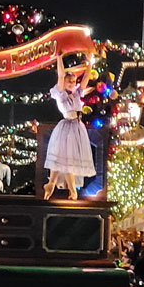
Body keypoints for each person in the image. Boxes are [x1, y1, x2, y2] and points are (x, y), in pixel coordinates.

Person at [43, 52, 96, 200]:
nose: (72, 83)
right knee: (67, 160)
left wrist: (90, 64)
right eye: (69, 81)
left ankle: (52, 184)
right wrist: (59, 58)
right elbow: (60, 76)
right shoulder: (60, 94)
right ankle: (72, 190)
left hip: (78, 127)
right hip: (67, 127)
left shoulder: (77, 93)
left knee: (64, 159)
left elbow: (86, 78)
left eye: (73, 81)